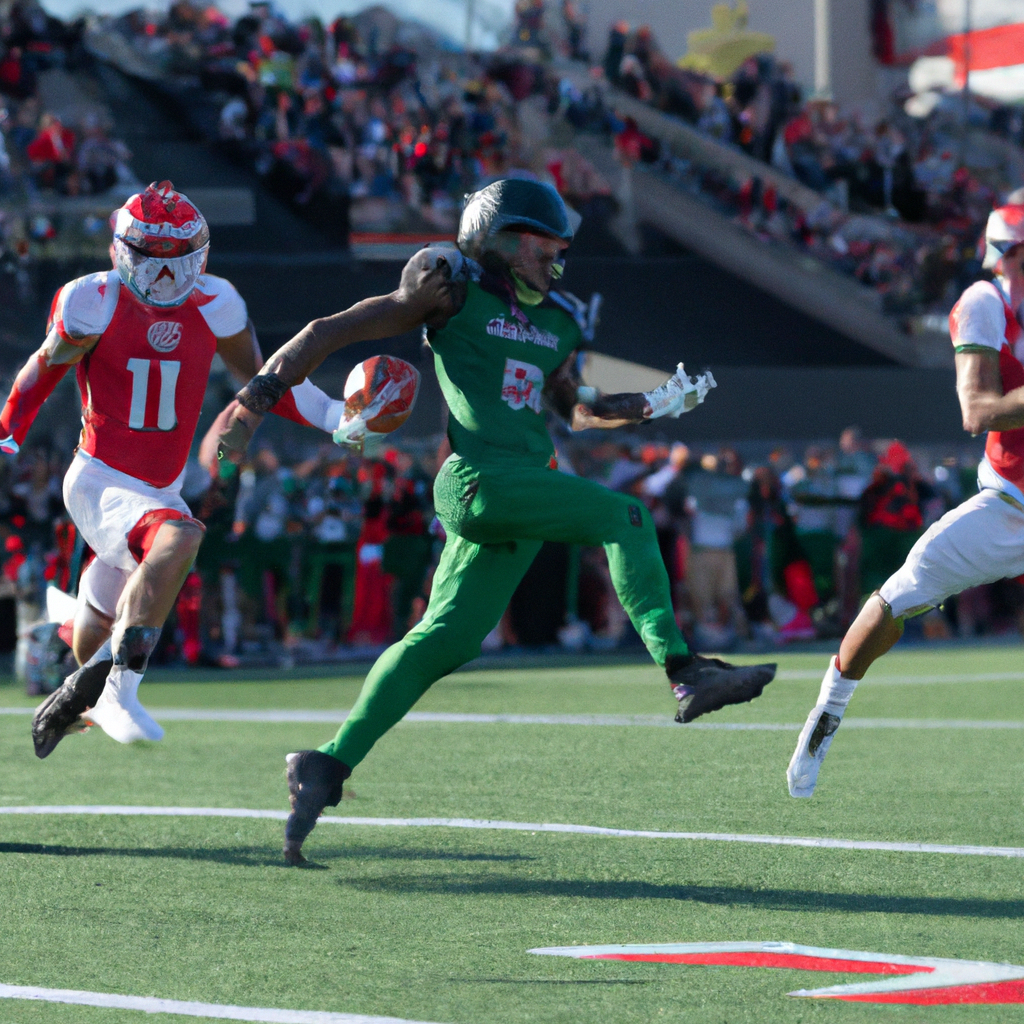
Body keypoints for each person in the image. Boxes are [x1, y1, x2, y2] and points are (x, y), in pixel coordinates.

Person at [217, 177, 777, 864]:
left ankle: (326, 764)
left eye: (559, 244)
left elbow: (573, 406)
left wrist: (656, 403)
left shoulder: (560, 319)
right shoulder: (448, 289)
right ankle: (684, 668)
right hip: (478, 479)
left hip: (522, 490)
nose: (555, 254)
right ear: (496, 236)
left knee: (443, 642)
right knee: (626, 515)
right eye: (540, 241)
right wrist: (257, 397)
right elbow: (330, 331)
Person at [0, 181, 348, 757]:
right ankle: (121, 688)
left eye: (175, 263)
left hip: (160, 486)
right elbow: (44, 367)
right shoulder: (93, 299)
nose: (163, 278)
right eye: (149, 262)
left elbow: (261, 382)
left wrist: (338, 414)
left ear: (200, 257)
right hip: (100, 479)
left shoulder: (218, 302)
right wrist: (8, 428)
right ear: (119, 252)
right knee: (181, 534)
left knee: (95, 628)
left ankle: (71, 677)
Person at [788, 201, 1024, 797]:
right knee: (899, 594)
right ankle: (827, 711)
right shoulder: (984, 303)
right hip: (1010, 507)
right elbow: (976, 410)